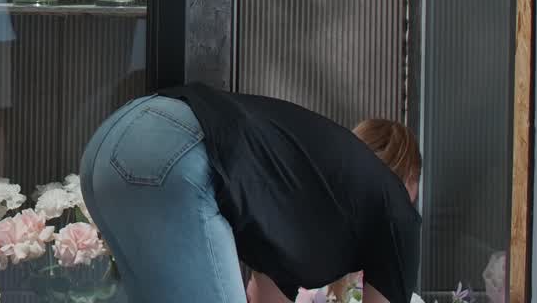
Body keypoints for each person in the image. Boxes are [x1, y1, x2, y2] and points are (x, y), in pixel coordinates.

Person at [79, 83, 421, 303]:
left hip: (110, 143)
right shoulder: (395, 207)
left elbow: (265, 299)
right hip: (179, 152)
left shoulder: (313, 203)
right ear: (410, 181)